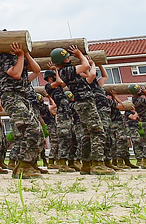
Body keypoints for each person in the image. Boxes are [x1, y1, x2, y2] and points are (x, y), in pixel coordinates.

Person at [49, 46, 114, 175]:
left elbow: (89, 74)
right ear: (62, 61)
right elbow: (85, 66)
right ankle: (97, 164)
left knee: (86, 135)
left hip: (83, 103)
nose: (69, 58)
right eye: (67, 57)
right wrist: (79, 55)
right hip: (85, 103)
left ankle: (86, 164)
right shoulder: (66, 71)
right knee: (97, 132)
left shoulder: (67, 71)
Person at [0, 43, 43, 178]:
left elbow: (37, 70)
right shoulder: (4, 57)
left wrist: (25, 53)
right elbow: (15, 74)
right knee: (31, 128)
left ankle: (29, 164)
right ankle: (24, 166)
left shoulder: (18, 57)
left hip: (23, 97)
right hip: (11, 96)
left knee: (36, 131)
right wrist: (21, 55)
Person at [44, 69, 76, 173]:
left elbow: (61, 82)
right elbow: (59, 82)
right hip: (62, 115)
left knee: (72, 138)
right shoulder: (48, 87)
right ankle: (62, 162)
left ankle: (72, 161)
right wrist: (56, 71)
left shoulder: (59, 88)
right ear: (50, 78)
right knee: (64, 138)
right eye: (53, 76)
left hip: (67, 114)